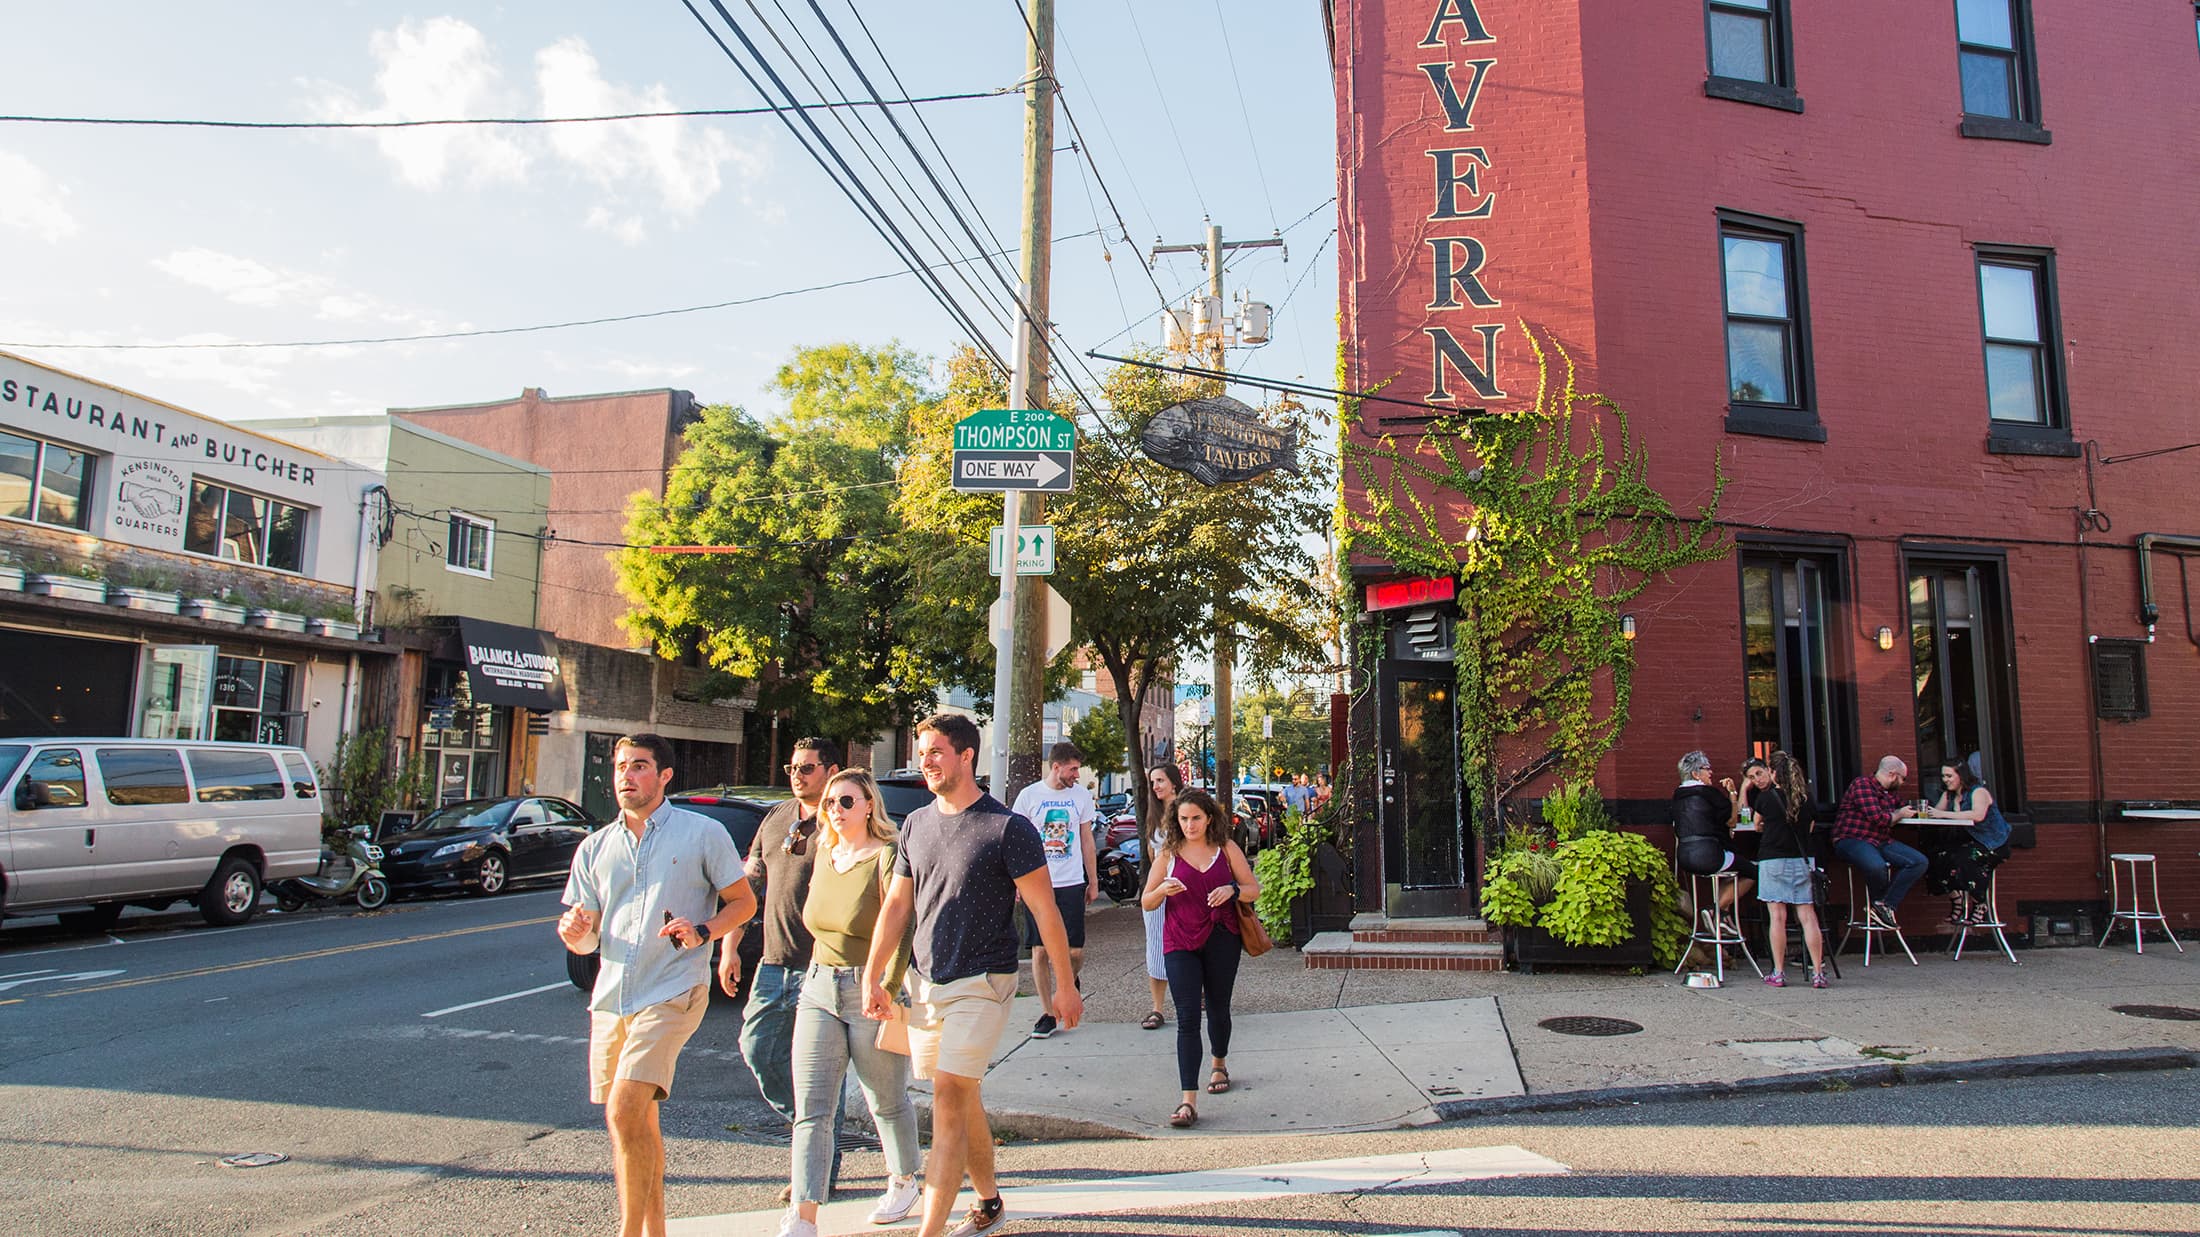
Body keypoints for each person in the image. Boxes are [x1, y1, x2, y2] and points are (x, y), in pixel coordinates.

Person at [862, 713, 1082, 1237]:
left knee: (946, 1101)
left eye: (936, 751)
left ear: (966, 756)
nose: (926, 760)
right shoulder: (914, 824)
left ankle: (928, 1232)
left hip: (983, 983)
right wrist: (875, 975)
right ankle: (988, 1201)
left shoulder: (1007, 827)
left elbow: (1044, 911)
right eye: (923, 751)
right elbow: (897, 906)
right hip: (926, 983)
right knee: (962, 1095)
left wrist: (1066, 987)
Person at [557, 734, 755, 1237]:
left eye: (639, 766)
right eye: (621, 766)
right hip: (613, 997)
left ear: (665, 776)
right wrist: (576, 935)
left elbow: (743, 903)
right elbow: (585, 939)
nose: (626, 776)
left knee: (626, 1107)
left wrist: (705, 932)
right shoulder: (595, 846)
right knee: (633, 1121)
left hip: (674, 988)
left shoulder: (701, 833)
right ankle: (655, 1231)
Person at [777, 769, 921, 1237]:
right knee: (813, 1108)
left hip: (870, 987)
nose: (835, 810)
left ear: (867, 806)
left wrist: (887, 983)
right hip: (818, 987)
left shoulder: (884, 856)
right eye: (831, 803)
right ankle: (804, 1214)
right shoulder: (825, 851)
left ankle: (903, 1180)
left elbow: (901, 925)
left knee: (885, 1098)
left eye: (845, 802)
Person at [743, 737, 843, 1187]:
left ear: (830, 770)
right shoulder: (775, 818)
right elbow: (750, 886)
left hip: (822, 965)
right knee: (757, 1049)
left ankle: (819, 1166)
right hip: (772, 962)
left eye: (806, 768)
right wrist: (728, 948)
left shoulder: (842, 820)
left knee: (822, 1072)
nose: (797, 775)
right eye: (793, 768)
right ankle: (810, 1125)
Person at [1141, 788, 1260, 1129]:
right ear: (1175, 821)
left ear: (1209, 818)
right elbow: (1147, 901)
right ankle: (1187, 1100)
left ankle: (1219, 1062)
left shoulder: (1226, 849)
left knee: (1219, 1007)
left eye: (1196, 818)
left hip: (1222, 937)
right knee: (1189, 1017)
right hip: (1179, 941)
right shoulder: (1169, 853)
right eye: (1184, 819)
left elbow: (1253, 888)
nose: (1190, 825)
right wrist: (1163, 889)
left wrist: (1232, 890)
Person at [1010, 740, 1098, 1039]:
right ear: (1056, 766)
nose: (1076, 774)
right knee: (1039, 951)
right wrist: (1016, 881)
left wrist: (1093, 880)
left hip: (1071, 881)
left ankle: (1068, 983)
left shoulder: (1081, 796)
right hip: (1038, 883)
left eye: (1078, 769)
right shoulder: (1029, 796)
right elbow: (1016, 843)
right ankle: (1048, 1012)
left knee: (1074, 950)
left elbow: (1086, 840)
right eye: (1073, 769)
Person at [1753, 751, 1828, 989]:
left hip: (1773, 859)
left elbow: (1757, 824)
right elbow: (1811, 826)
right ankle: (1817, 972)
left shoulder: (1766, 798)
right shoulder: (1806, 799)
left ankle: (1779, 971)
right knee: (1808, 916)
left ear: (1774, 773)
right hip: (1803, 860)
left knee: (1777, 916)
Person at [1832, 755, 1929, 927]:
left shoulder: (1890, 794)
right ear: (1892, 774)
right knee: (1877, 866)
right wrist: (1899, 814)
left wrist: (1922, 811)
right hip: (1852, 839)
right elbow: (1878, 818)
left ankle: (1884, 905)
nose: (1903, 783)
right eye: (1903, 778)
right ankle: (1881, 907)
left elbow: (1904, 808)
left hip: (1879, 841)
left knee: (1919, 861)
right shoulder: (1862, 785)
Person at [1920, 753, 2013, 922]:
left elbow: (1978, 815)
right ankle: (1957, 899)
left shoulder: (1978, 792)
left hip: (1991, 843)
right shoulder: (1948, 795)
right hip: (1968, 841)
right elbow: (1936, 814)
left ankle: (1980, 903)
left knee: (1965, 859)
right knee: (1934, 857)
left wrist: (1943, 814)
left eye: (1949, 776)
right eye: (1943, 776)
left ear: (1961, 776)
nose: (1945, 780)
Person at [1670, 750, 1753, 915]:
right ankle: (1715, 911)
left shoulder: (1677, 796)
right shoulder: (1709, 793)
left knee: (1729, 873)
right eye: (1706, 768)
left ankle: (1721, 920)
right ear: (1695, 773)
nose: (1711, 772)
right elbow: (1731, 821)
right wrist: (1732, 793)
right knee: (1753, 872)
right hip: (1709, 856)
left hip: (1685, 858)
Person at [1137, 763, 1183, 1031]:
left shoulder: (1187, 810)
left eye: (1160, 781)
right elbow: (1153, 855)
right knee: (1156, 947)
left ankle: (1189, 997)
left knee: (1187, 945)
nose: (1155, 787)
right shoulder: (1154, 815)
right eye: (1153, 782)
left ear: (1174, 782)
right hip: (1158, 890)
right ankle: (1157, 1008)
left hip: (1183, 888)